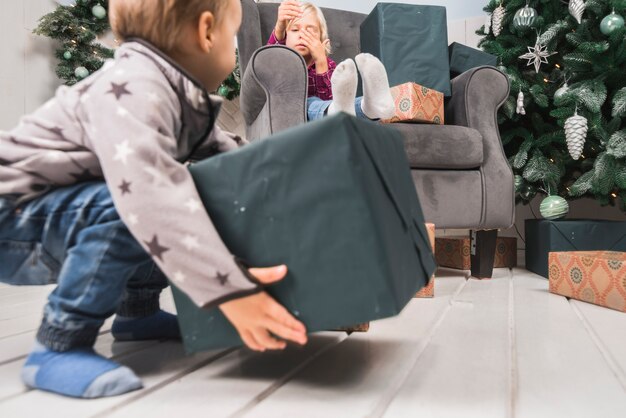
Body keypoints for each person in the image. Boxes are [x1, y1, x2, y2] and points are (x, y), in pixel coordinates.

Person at [0, 0, 306, 399]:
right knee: (140, 201)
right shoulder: (136, 86)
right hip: (12, 217)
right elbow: (150, 191)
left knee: (178, 191)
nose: (234, 49)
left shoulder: (176, 94)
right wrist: (229, 289)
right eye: (234, 36)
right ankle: (59, 343)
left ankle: (137, 312)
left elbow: (233, 160)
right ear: (207, 31)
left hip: (42, 210)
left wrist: (292, 181)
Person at [268, 1, 396, 121]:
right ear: (285, 37)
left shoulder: (329, 65)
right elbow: (267, 62)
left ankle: (372, 106)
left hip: (325, 114)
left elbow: (332, 101)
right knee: (309, 102)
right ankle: (350, 111)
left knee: (344, 104)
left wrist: (321, 62)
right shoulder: (282, 60)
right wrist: (279, 29)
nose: (302, 35)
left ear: (322, 39)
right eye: (295, 30)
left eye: (310, 30)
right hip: (292, 109)